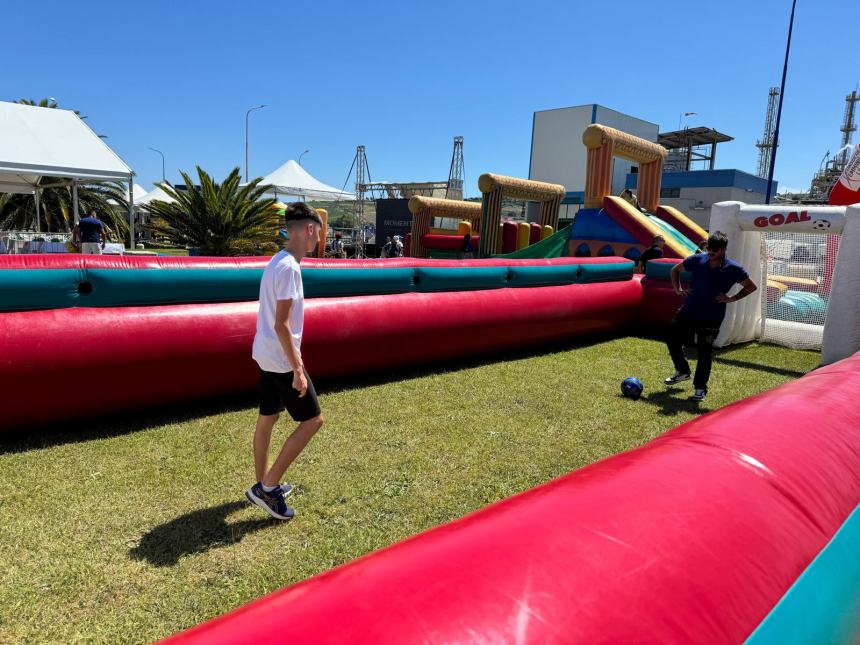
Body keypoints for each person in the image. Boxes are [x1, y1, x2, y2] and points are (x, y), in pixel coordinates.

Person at [247, 202, 325, 520]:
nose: (319, 239)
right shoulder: (290, 267)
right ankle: (268, 487)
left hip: (265, 354)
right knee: (313, 420)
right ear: (309, 229)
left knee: (268, 419)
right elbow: (282, 324)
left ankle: (262, 483)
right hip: (281, 360)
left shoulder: (277, 261)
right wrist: (298, 369)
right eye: (318, 232)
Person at [664, 231, 758, 402]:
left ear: (723, 249)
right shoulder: (697, 260)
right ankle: (682, 371)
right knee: (671, 338)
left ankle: (700, 389)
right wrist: (678, 289)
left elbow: (751, 286)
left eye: (715, 249)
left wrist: (732, 298)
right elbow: (675, 270)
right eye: (709, 248)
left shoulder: (734, 268)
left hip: (711, 317)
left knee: (704, 352)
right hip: (688, 311)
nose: (710, 252)